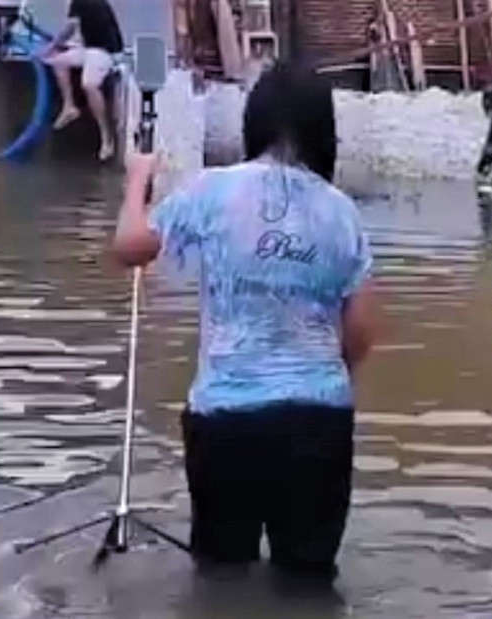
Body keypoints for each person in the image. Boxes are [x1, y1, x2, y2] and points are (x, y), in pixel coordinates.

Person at [112, 62, 378, 581]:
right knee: (308, 582)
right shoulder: (344, 214)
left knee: (221, 576)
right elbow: (362, 333)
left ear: (252, 121)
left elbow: (129, 248)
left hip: (228, 420)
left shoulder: (212, 191)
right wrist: (313, 379)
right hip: (319, 420)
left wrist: (136, 181)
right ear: (326, 132)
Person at [39, 0, 123, 161]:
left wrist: (49, 48)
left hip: (105, 50)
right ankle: (69, 106)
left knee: (89, 84)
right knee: (58, 62)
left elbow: (68, 29)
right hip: (89, 48)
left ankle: (107, 138)